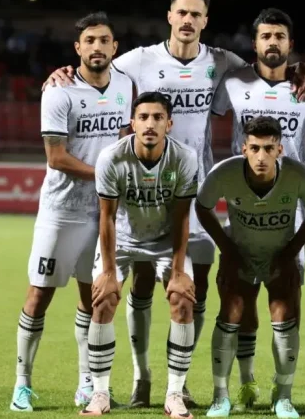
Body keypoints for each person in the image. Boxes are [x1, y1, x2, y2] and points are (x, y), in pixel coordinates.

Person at [42, 0, 305, 407]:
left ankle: (181, 384)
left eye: (196, 14)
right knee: (139, 286)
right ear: (170, 16)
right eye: (182, 13)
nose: (188, 20)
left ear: (205, 21)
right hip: (145, 192)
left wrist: (300, 68)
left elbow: (267, 68)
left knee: (194, 288)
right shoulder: (139, 60)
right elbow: (95, 67)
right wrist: (61, 73)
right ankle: (142, 377)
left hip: (197, 188)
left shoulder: (223, 62)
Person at [10, 12, 132, 413]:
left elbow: (123, 139)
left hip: (104, 213)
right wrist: (106, 177)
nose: (97, 47)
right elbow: (56, 157)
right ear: (77, 48)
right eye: (89, 40)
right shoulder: (59, 91)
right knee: (39, 294)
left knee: (92, 297)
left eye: (104, 40)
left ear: (115, 47)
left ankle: (86, 383)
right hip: (62, 211)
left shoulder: (125, 85)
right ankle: (22, 384)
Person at [210, 7, 305, 411]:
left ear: (290, 44)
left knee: (286, 295)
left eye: (280, 36)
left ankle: (283, 390)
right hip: (244, 204)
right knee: (240, 298)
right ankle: (245, 383)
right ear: (255, 42)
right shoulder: (234, 82)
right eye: (265, 36)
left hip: (292, 207)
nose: (272, 42)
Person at [195, 116, 305, 418]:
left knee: (284, 316)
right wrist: (227, 248)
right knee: (232, 314)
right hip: (240, 254)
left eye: (269, 148)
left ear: (280, 149)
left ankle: (283, 397)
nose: (261, 156)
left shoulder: (298, 174)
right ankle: (221, 396)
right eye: (255, 148)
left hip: (280, 255)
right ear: (244, 148)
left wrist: (291, 251)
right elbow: (202, 207)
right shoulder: (224, 173)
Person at [80, 91, 199, 418]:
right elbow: (106, 216)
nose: (150, 124)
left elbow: (182, 216)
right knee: (103, 301)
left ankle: (174, 394)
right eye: (143, 117)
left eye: (158, 118)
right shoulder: (111, 157)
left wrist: (178, 271)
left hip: (164, 239)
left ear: (169, 124)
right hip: (122, 238)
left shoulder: (184, 158)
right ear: (132, 123)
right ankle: (100, 394)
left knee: (183, 300)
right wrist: (107, 272)